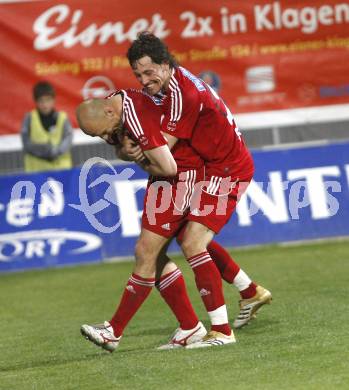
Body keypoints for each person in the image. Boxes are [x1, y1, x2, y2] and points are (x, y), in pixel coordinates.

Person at [125, 33, 272, 347]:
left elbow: (162, 149)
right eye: (138, 75)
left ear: (166, 65)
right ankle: (249, 291)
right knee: (186, 235)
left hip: (226, 169)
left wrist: (129, 148)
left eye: (149, 72)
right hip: (214, 166)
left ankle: (220, 331)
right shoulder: (172, 85)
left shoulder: (184, 94)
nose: (144, 80)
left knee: (193, 242)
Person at [77, 92, 208, 352]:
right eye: (97, 137)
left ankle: (113, 331)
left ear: (109, 113)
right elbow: (126, 149)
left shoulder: (135, 114)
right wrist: (126, 152)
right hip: (164, 179)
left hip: (181, 176)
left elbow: (167, 167)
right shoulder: (112, 112)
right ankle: (191, 325)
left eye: (104, 132)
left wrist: (137, 158)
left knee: (146, 252)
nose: (105, 138)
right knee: (153, 255)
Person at [21, 81, 73, 173]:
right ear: (36, 101)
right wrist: (45, 151)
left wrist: (55, 152)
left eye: (48, 100)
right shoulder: (29, 118)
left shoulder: (62, 118)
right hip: (36, 174)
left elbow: (68, 140)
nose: (45, 105)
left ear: (54, 100)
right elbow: (26, 143)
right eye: (41, 101)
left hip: (61, 172)